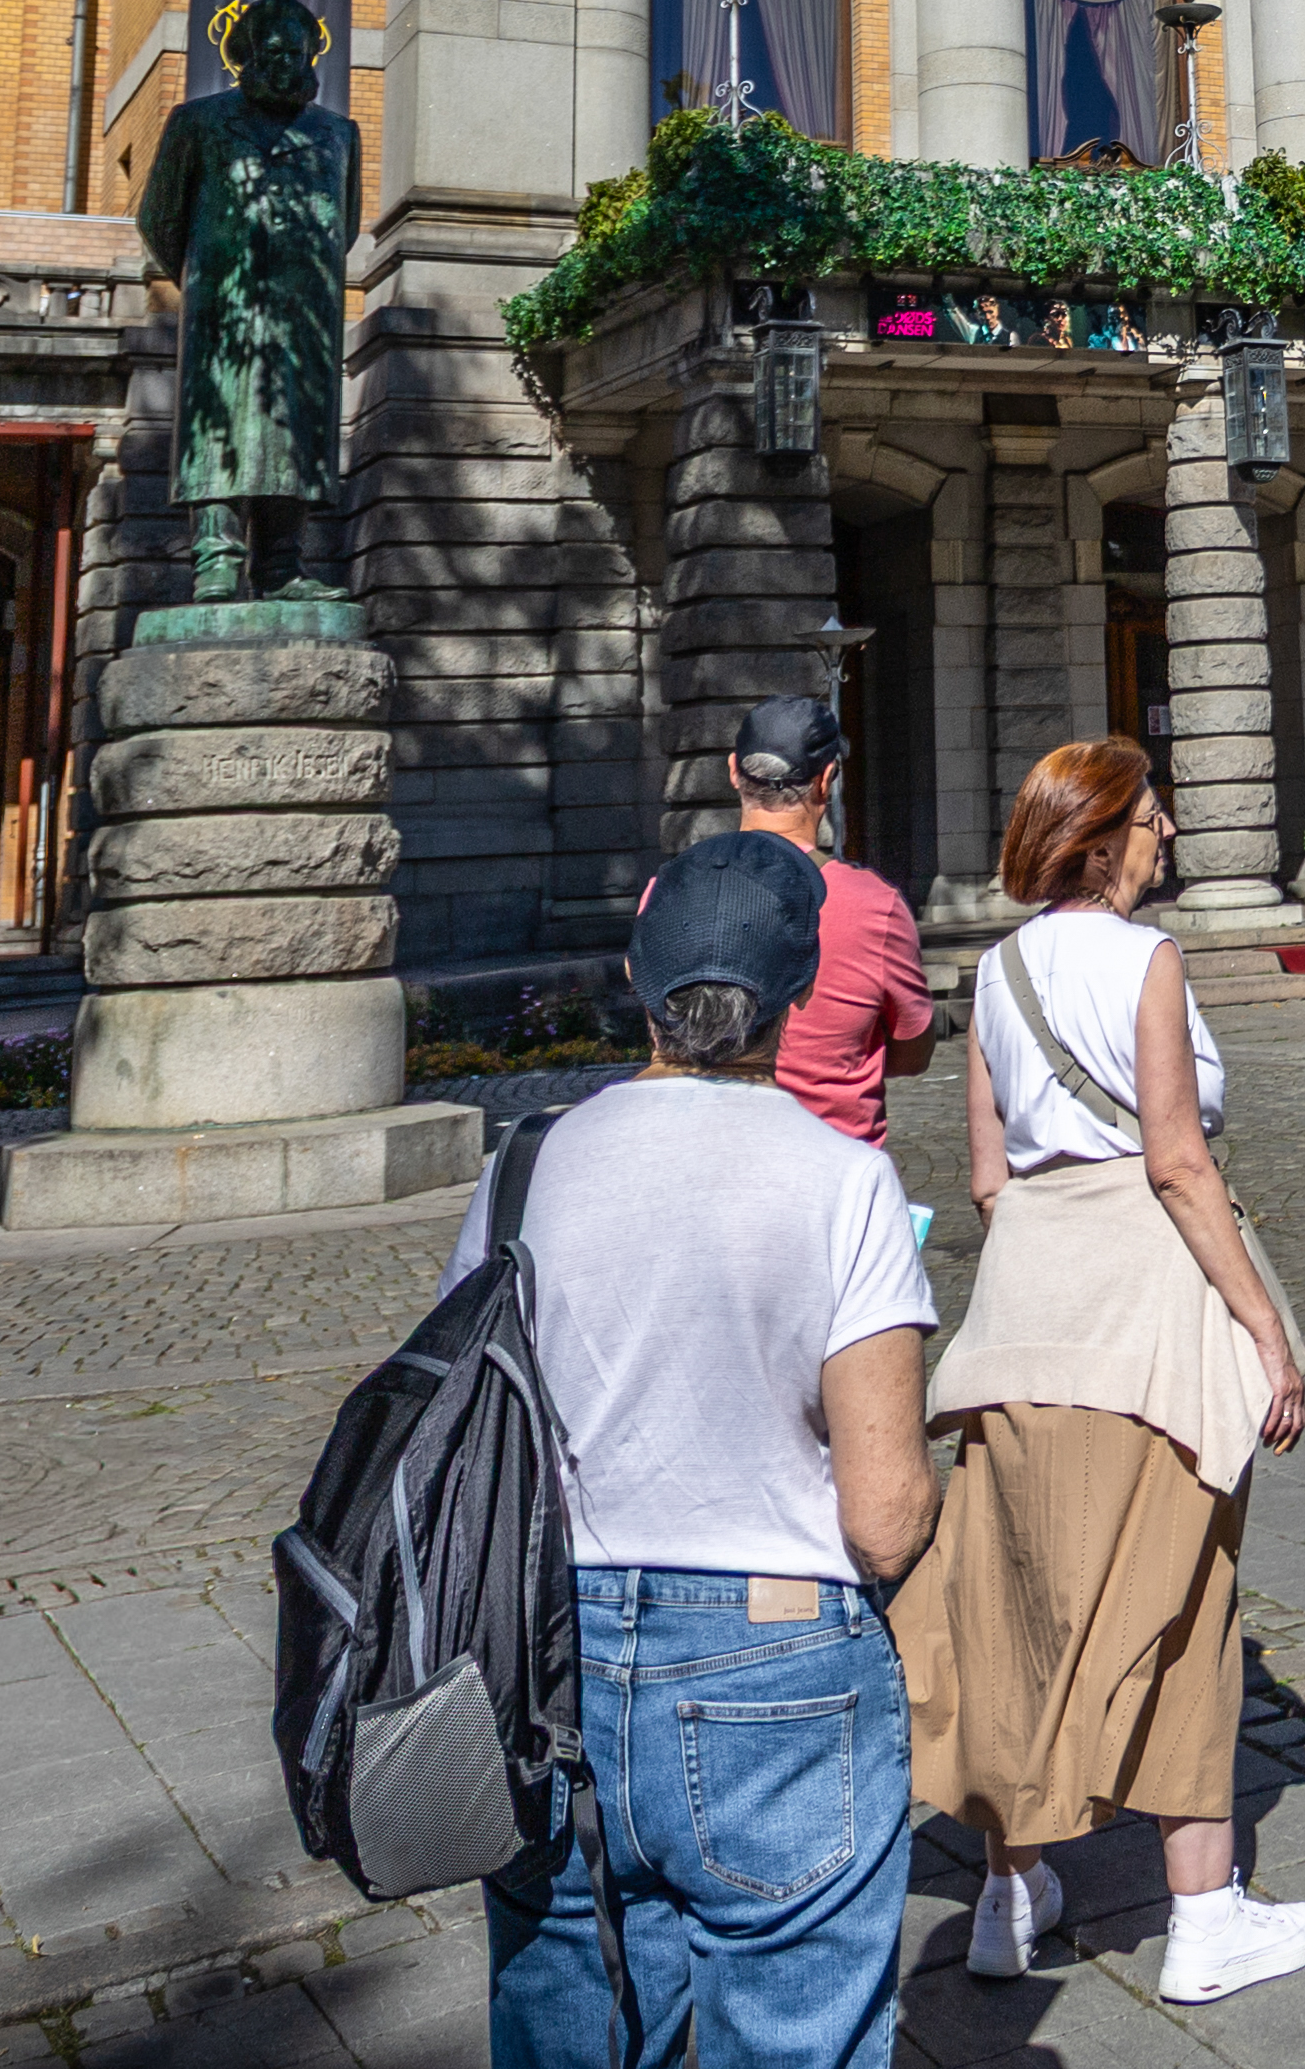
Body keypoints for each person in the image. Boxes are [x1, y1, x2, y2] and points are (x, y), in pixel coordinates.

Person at [464, 829, 940, 2069]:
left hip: (545, 1662)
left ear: (637, 974)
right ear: (799, 997)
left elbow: (477, 1430)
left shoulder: (522, 1167)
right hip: (773, 1661)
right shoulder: (845, 1183)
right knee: (793, 2027)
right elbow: (888, 1514)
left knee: (562, 2009)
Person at [904, 741, 1305, 2007]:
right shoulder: (1148, 959)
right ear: (1096, 842)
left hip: (1025, 1306)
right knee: (1184, 1598)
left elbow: (986, 1176)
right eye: (1150, 819)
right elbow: (1180, 1164)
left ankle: (1007, 1890)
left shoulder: (996, 972)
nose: (1171, 832)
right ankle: (1203, 1916)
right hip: (1147, 1311)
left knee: (1018, 1601)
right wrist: (1263, 1328)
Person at [729, 690, 939, 1154]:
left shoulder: (665, 891)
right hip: (837, 1166)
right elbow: (914, 1052)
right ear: (827, 781)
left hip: (714, 1166)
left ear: (733, 772)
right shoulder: (875, 905)